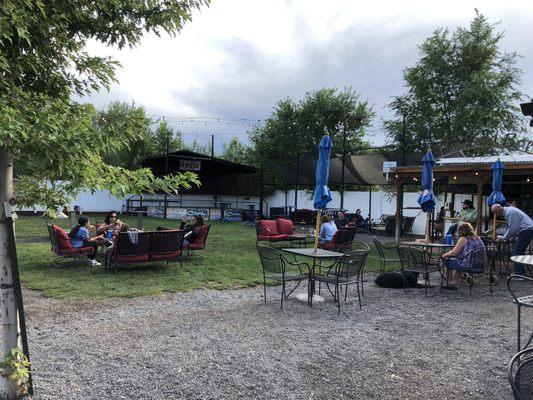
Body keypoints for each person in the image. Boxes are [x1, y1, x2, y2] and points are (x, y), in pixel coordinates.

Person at [440, 222, 485, 290]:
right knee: (460, 260)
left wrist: (443, 255)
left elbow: (454, 253)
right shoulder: (478, 238)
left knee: (447, 261)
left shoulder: (463, 239)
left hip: (469, 265)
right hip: (481, 265)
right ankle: (454, 281)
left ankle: (450, 283)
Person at [491, 204, 533, 275]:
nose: (497, 215)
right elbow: (513, 228)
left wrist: (502, 238)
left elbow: (513, 229)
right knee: (518, 251)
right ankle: (519, 272)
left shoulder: (509, 213)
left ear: (499, 209)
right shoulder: (509, 210)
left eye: (496, 213)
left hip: (527, 230)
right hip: (527, 230)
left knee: (517, 252)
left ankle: (520, 274)